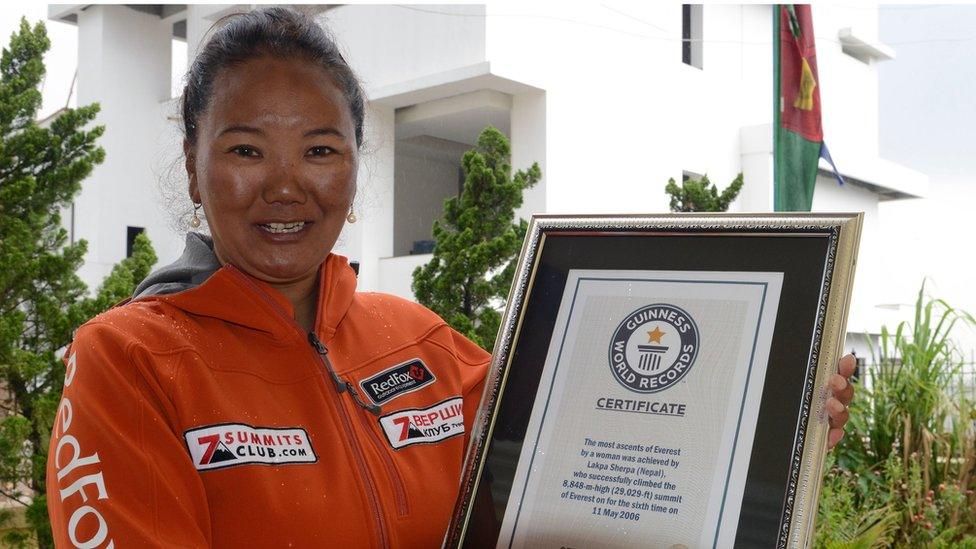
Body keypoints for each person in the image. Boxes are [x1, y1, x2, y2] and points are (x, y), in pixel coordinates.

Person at [45, 7, 855, 548]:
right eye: (247, 149)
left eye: (321, 149)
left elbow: (583, 472)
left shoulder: (423, 342)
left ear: (354, 166)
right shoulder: (129, 363)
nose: (287, 185)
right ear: (194, 166)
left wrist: (770, 415)